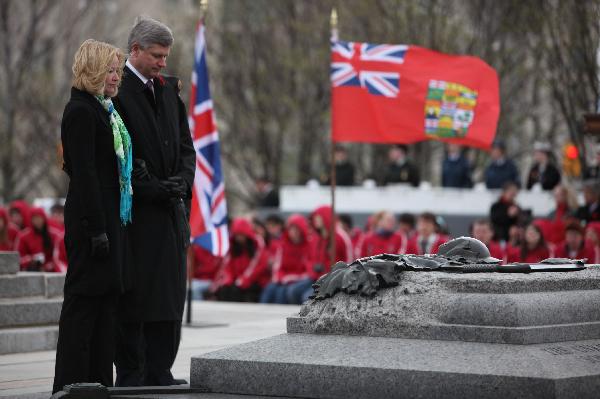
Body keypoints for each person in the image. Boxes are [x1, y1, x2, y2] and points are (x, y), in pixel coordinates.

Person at [113, 17, 195, 387]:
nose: (163, 62)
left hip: (170, 214)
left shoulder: (167, 93)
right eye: (157, 55)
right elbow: (124, 157)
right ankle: (134, 372)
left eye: (166, 56)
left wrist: (181, 181)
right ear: (135, 51)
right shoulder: (119, 93)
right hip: (137, 218)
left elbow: (186, 149)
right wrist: (155, 188)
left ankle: (161, 369)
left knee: (170, 295)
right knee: (138, 297)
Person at [52, 39, 131, 394]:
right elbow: (84, 174)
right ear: (94, 70)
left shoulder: (103, 110)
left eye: (118, 70)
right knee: (83, 307)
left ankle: (99, 382)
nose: (117, 77)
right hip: (91, 224)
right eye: (112, 70)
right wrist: (98, 230)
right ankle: (71, 384)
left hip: (108, 220)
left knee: (105, 307)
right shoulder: (81, 111)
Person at [286, 205, 353, 304]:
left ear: (326, 217)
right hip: (316, 277)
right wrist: (313, 269)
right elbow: (310, 259)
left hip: (333, 279)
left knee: (307, 297)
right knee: (293, 291)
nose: (315, 220)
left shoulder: (340, 237)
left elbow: (349, 260)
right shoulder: (316, 237)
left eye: (318, 217)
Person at [210, 218, 270, 302]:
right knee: (225, 290)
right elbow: (227, 266)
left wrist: (242, 280)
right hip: (237, 281)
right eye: (237, 235)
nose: (239, 238)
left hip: (255, 281)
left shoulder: (257, 242)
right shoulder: (232, 245)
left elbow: (258, 265)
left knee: (237, 292)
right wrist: (229, 280)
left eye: (241, 234)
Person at [260, 214, 313, 304]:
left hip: (299, 280)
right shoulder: (283, 246)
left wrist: (290, 278)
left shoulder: (309, 246)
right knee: (270, 289)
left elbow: (308, 270)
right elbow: (278, 267)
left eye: (296, 229)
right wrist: (281, 278)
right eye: (291, 229)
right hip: (284, 279)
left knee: (282, 292)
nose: (294, 232)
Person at [15, 207, 63, 272]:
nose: (37, 221)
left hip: (52, 271)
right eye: (34, 218)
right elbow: (18, 258)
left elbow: (59, 257)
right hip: (31, 271)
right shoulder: (23, 236)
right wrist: (32, 259)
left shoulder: (55, 235)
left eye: (40, 218)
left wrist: (48, 266)